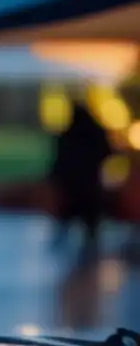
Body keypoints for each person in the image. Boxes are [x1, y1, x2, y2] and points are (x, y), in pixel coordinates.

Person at [49, 101, 112, 250]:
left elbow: (60, 160)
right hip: (89, 184)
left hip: (73, 185)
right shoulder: (96, 133)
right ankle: (89, 244)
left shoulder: (69, 135)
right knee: (87, 218)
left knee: (69, 215)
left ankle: (62, 243)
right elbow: (107, 153)